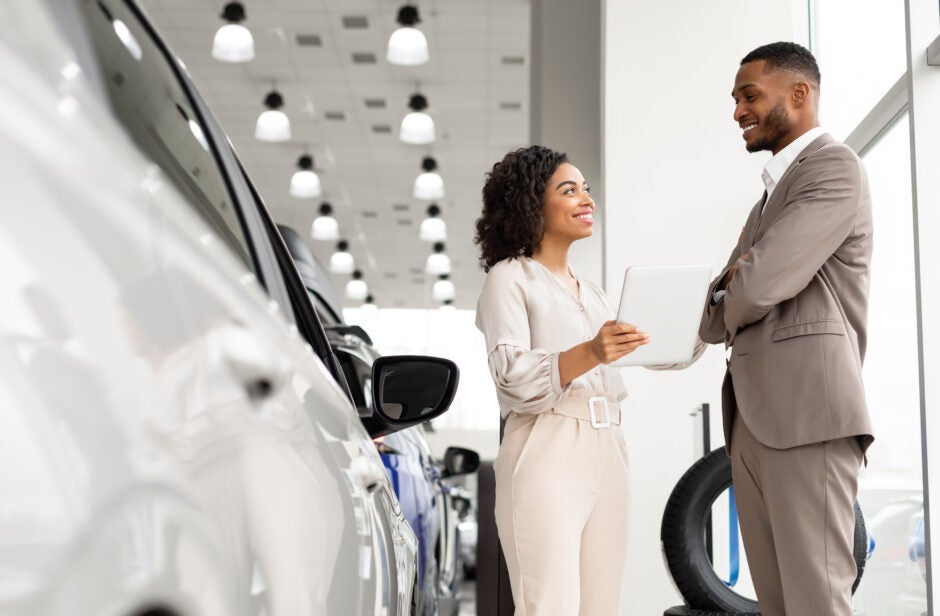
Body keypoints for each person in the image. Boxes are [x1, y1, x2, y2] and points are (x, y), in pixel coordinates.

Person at [699, 42, 875, 616]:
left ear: (799, 94)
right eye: (735, 99)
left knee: (815, 600)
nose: (737, 112)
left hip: (807, 414)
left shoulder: (833, 167)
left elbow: (751, 285)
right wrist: (731, 290)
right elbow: (713, 313)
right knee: (776, 605)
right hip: (757, 419)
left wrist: (732, 287)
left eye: (749, 96)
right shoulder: (770, 195)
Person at [474, 145, 648, 615]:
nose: (586, 198)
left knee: (602, 607)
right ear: (531, 203)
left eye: (586, 189)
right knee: (548, 604)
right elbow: (511, 378)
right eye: (568, 190)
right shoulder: (509, 279)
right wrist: (591, 350)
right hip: (546, 443)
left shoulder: (594, 294)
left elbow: (639, 356)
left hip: (608, 444)